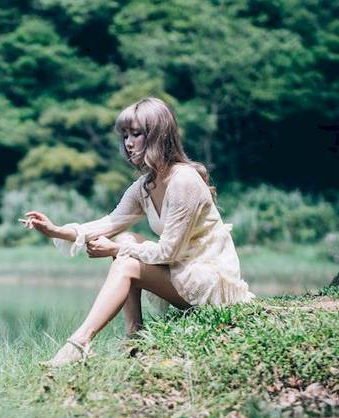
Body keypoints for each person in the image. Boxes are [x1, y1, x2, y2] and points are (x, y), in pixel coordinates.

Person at [20, 96, 254, 367]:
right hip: (182, 272)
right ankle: (134, 337)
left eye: (136, 134)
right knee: (125, 238)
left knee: (125, 258)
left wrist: (117, 249)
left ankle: (81, 342)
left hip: (210, 285)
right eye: (125, 136)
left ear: (157, 135)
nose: (128, 143)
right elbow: (110, 223)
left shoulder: (184, 181)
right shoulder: (146, 186)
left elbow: (169, 252)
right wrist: (56, 231)